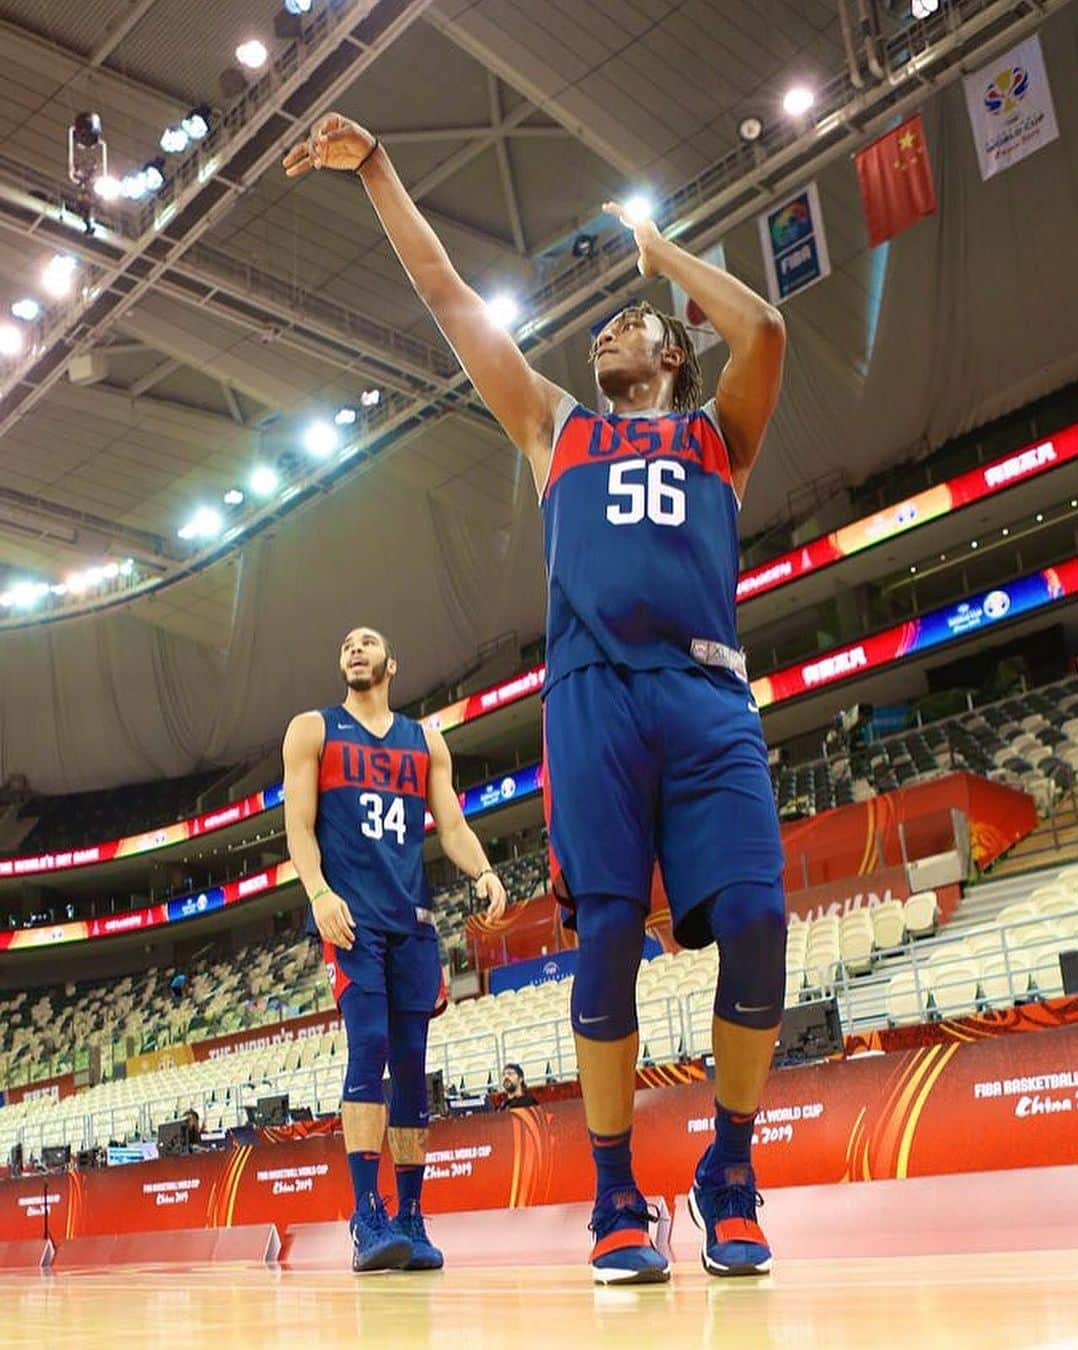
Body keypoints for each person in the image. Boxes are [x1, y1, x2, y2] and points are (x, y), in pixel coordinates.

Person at [284, 120, 786, 1286]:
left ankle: (731, 1170)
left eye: (631, 323)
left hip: (707, 695)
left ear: (672, 352)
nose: (606, 327)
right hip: (595, 702)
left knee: (758, 924)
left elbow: (762, 326)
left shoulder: (721, 437)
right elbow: (448, 293)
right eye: (602, 321)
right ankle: (616, 1197)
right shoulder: (554, 425)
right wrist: (376, 171)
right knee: (606, 940)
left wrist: (663, 255)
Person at [283, 627, 507, 1273]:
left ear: (391, 663)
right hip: (352, 917)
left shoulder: (424, 740)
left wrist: (484, 872)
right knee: (370, 1046)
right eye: (346, 642)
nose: (354, 647)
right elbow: (298, 824)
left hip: (412, 921)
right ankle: (366, 1217)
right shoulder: (312, 729)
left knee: (412, 1065)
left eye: (369, 641)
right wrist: (319, 892)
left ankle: (409, 1215)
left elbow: (454, 825)